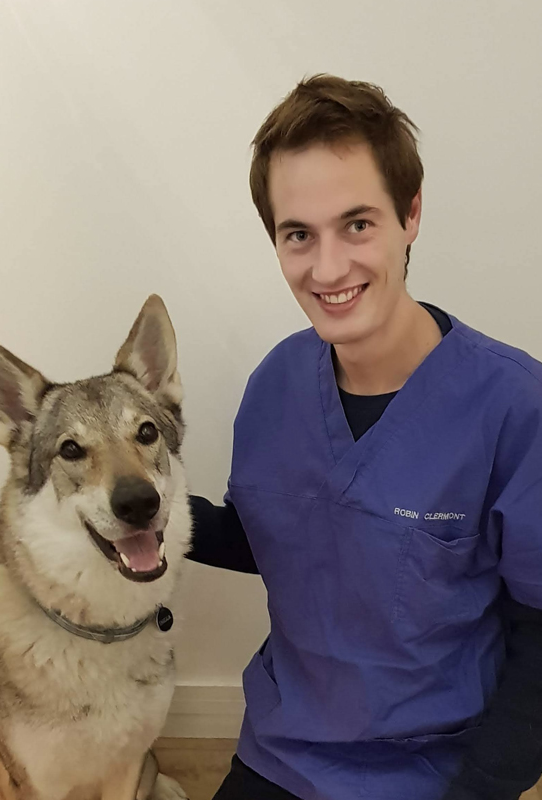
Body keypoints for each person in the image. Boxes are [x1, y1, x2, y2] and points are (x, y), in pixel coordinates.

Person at [187, 75, 542, 800]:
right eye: (298, 234)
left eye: (357, 224)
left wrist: (480, 788)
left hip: (433, 770)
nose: (328, 269)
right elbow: (281, 540)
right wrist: (142, 515)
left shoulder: (514, 406)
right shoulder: (274, 386)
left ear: (411, 214)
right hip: (284, 750)